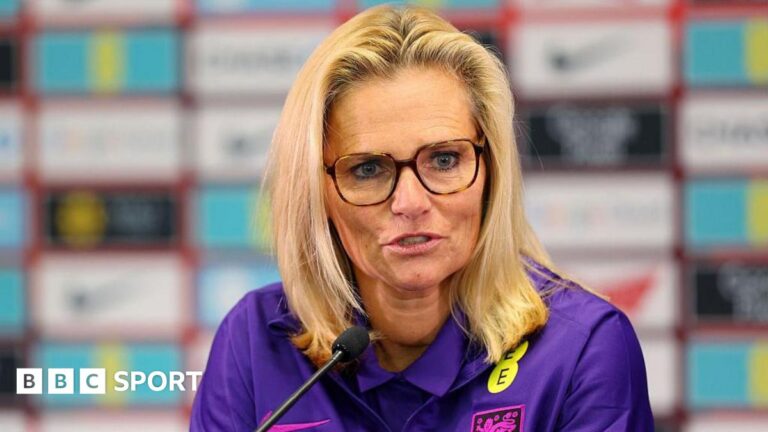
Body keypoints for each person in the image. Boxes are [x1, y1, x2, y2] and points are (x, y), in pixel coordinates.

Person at [190, 5, 653, 431]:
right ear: (317, 192)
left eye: (445, 159)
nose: (410, 202)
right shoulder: (254, 341)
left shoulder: (583, 348)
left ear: (492, 172)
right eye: (368, 169)